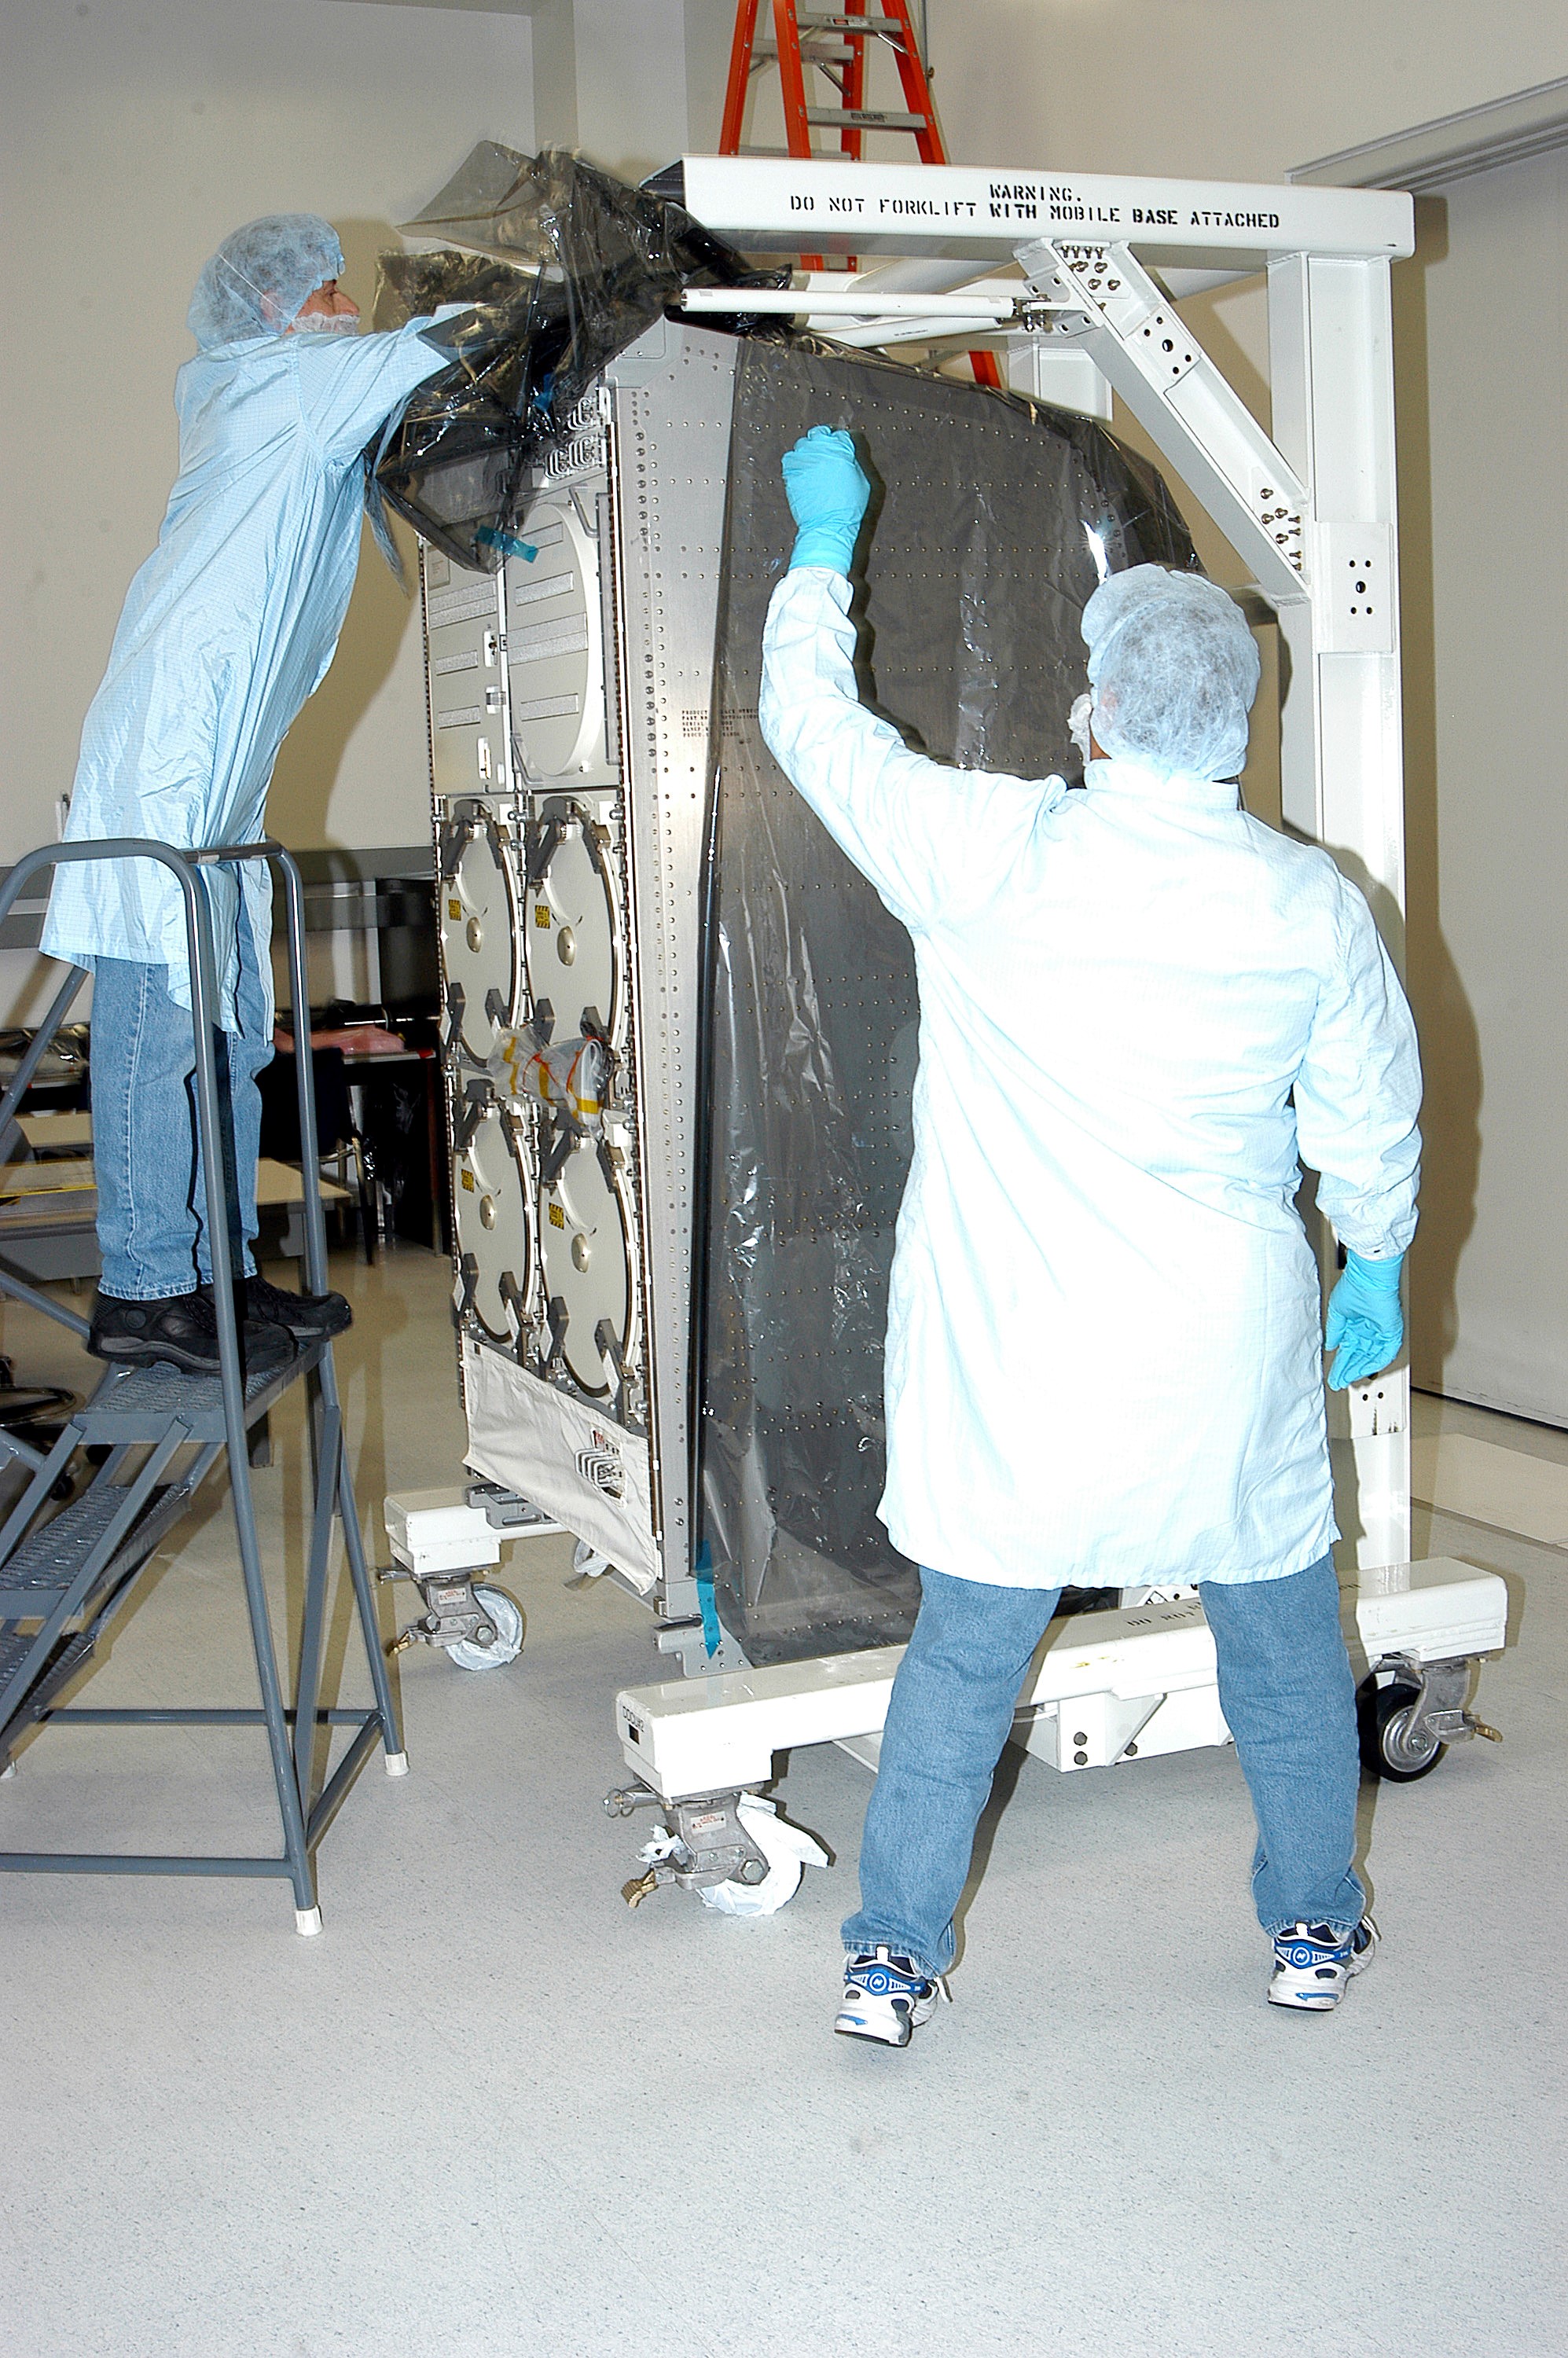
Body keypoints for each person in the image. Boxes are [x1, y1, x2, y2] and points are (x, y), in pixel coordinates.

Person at [760, 426, 1422, 2045]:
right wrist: (1379, 1253)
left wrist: (823, 549)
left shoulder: (994, 851)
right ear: (1231, 727)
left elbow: (807, 725)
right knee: (1276, 1642)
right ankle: (1312, 1926)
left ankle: (890, 1955)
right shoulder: (1301, 901)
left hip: (1019, 1357)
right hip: (1218, 1349)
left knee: (961, 1668)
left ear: (1100, 706)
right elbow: (1367, 1113)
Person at [42, 216, 459, 1374]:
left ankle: (216, 1273)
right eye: (327, 293)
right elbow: (442, 347)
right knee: (157, 1033)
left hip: (214, 779)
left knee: (229, 1044)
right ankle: (141, 1290)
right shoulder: (277, 385)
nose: (344, 310)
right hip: (163, 758)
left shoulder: (289, 393)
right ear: (275, 311)